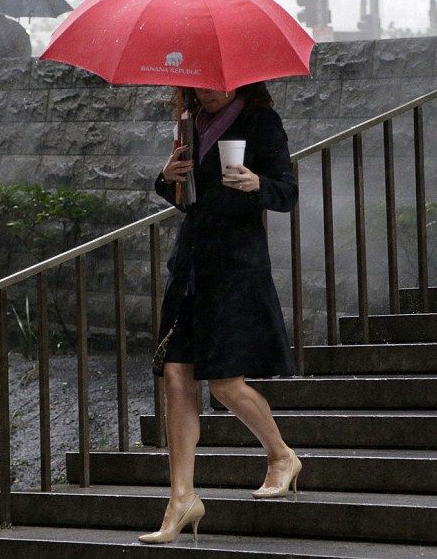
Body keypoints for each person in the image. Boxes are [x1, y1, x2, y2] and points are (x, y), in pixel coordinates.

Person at [138, 82, 299, 545]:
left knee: (225, 383)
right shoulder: (189, 124)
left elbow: (285, 192)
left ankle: (280, 455)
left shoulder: (259, 120)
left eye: (214, 82)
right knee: (175, 377)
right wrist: (166, 177)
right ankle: (182, 497)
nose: (204, 90)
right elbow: (187, 197)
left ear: (235, 80)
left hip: (235, 266)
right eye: (197, 82)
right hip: (191, 265)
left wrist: (257, 184)